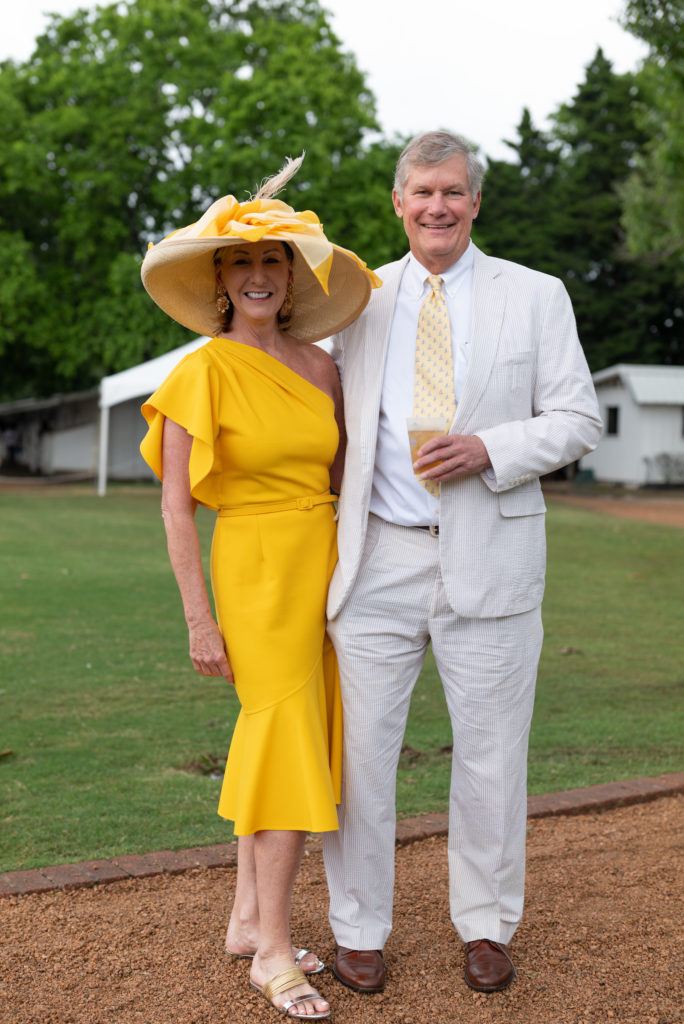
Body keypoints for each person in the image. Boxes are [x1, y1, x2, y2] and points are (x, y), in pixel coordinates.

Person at [321, 130, 603, 996]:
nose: (437, 206)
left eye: (453, 192)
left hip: (494, 558)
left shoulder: (537, 294)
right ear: (397, 204)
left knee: (490, 756)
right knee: (361, 756)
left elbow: (580, 418)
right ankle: (358, 929)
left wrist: (492, 446)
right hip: (376, 562)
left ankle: (486, 925)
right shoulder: (355, 299)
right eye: (421, 193)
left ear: (476, 203)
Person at [138, 156, 380, 1020]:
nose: (256, 275)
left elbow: (351, 481)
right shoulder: (200, 372)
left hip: (329, 573)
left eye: (272, 261)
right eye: (240, 263)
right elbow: (174, 510)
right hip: (255, 575)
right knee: (287, 749)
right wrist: (200, 620)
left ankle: (247, 918)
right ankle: (273, 952)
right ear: (218, 279)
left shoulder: (323, 368)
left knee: (286, 741)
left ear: (291, 274)